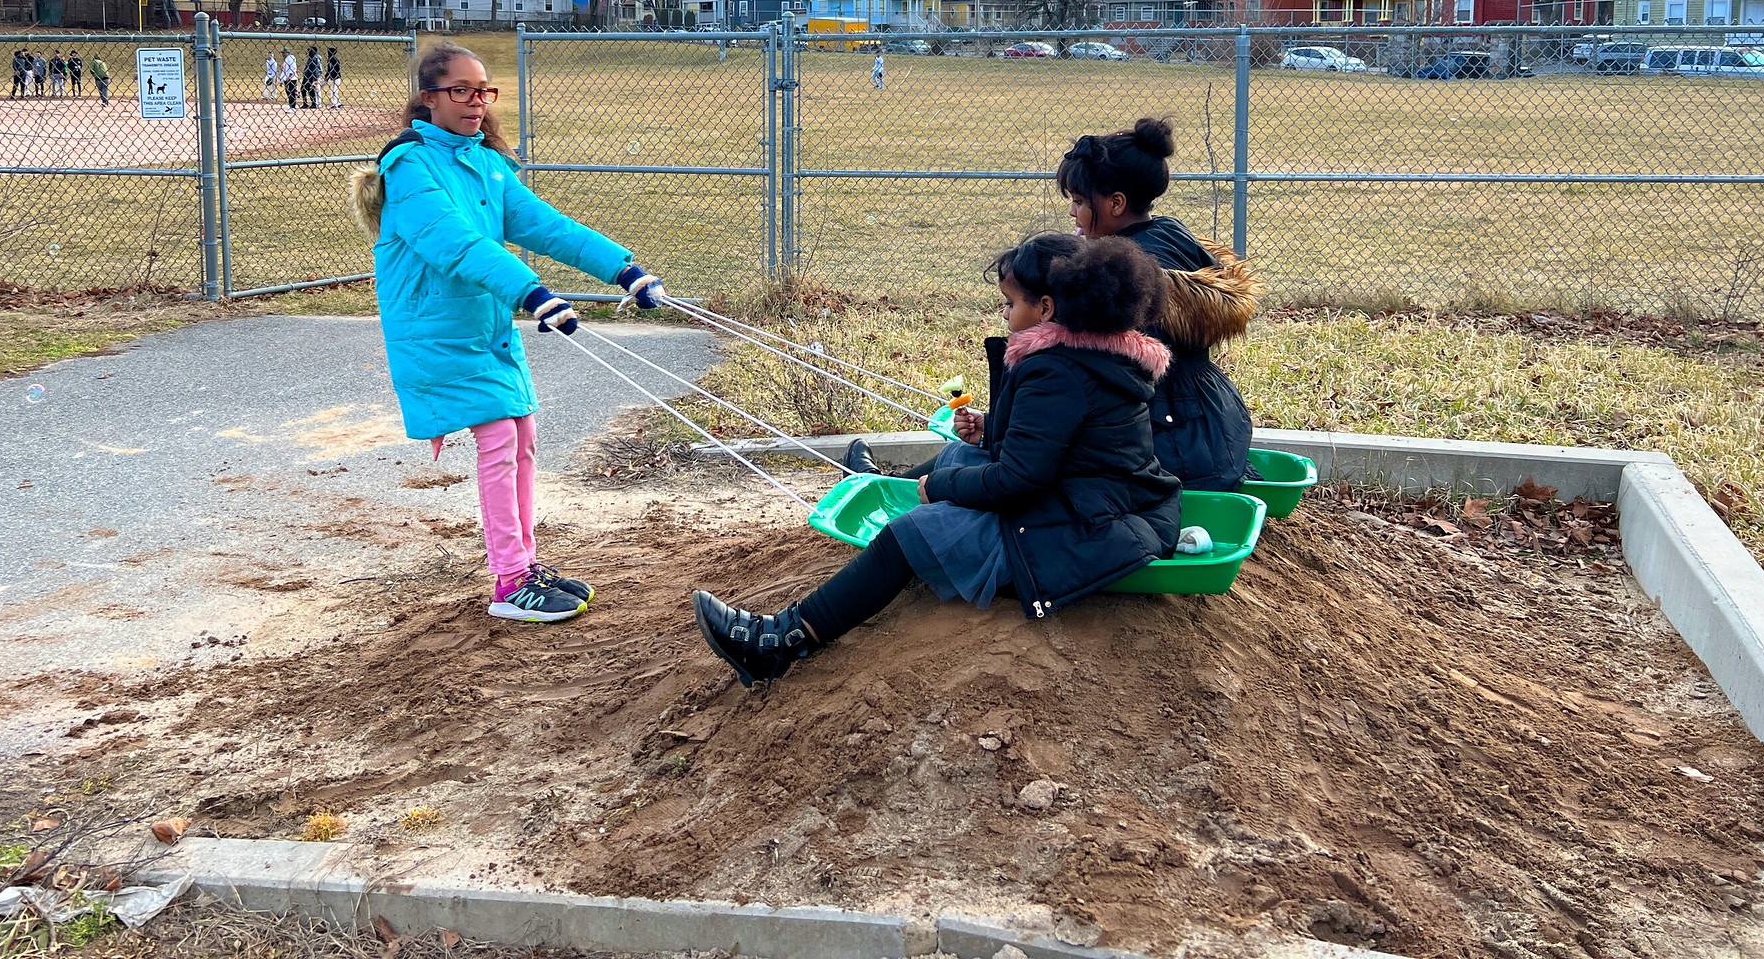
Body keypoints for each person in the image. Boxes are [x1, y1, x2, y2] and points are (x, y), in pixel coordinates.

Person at [695, 234, 1178, 687]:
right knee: (959, 454)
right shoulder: (1091, 355)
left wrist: (942, 489)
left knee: (911, 533)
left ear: (1046, 308)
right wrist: (992, 429)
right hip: (1097, 502)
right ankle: (889, 488)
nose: (1005, 313)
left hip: (1082, 527)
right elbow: (1069, 441)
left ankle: (783, 641)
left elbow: (1021, 479)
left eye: (1012, 304)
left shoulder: (1056, 371)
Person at [350, 42, 668, 624]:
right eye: (461, 91)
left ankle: (524, 565)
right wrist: (534, 294)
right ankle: (510, 581)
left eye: (484, 91)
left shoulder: (487, 163)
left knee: (521, 436)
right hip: (437, 330)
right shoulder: (409, 166)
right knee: (499, 440)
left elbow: (546, 225)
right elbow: (453, 242)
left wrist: (624, 269)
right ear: (430, 98)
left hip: (484, 325)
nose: (477, 102)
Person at [1056, 118, 1258, 491]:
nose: (1073, 213)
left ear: (1116, 203)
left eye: (1080, 202)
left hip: (1172, 445)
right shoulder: (1167, 231)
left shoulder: (1129, 277)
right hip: (1213, 422)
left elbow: (1107, 375)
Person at [302, 44, 322, 110]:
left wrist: (315, 79)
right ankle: (305, 103)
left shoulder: (315, 58)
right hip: (306, 76)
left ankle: (314, 103)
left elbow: (315, 69)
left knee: (310, 89)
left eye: (310, 51)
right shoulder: (310, 58)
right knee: (303, 89)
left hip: (311, 76)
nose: (308, 53)